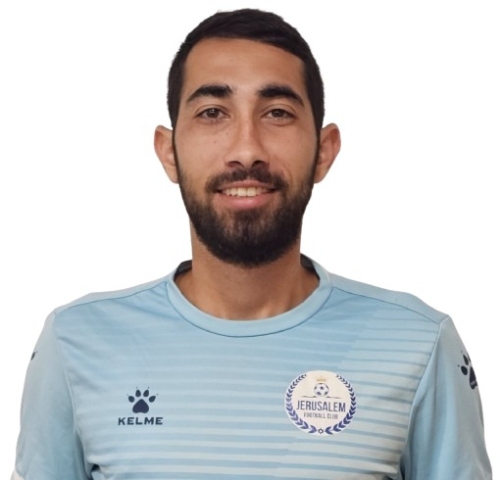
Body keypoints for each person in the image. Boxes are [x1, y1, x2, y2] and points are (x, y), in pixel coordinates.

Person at [12, 8, 491, 480]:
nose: (246, 149)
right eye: (212, 113)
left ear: (323, 151)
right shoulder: (75, 343)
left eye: (278, 113)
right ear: (168, 151)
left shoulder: (419, 344)